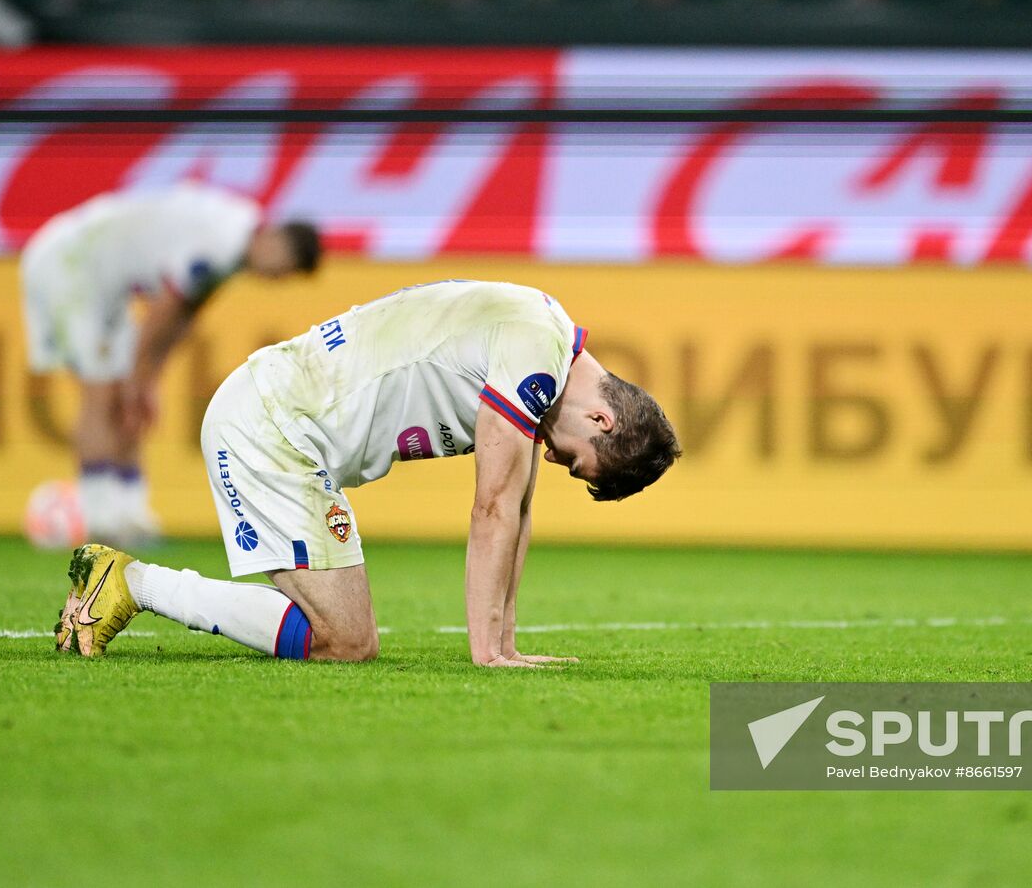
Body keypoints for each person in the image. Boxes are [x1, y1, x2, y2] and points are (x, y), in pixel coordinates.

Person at [54, 279, 681, 666]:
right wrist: (486, 651)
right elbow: (492, 507)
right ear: (601, 418)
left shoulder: (540, 339)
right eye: (574, 459)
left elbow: (517, 508)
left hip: (279, 419)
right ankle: (135, 584)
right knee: (345, 641)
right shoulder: (534, 355)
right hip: (273, 426)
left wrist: (506, 640)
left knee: (342, 637)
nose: (554, 458)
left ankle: (129, 582)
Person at [21, 182, 322, 544]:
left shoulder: (235, 243)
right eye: (282, 269)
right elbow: (162, 312)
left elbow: (182, 315)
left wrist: (146, 380)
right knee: (102, 392)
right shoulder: (221, 243)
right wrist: (139, 377)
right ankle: (97, 515)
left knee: (123, 394)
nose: (275, 280)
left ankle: (130, 514)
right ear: (274, 241)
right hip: (69, 266)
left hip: (101, 284)